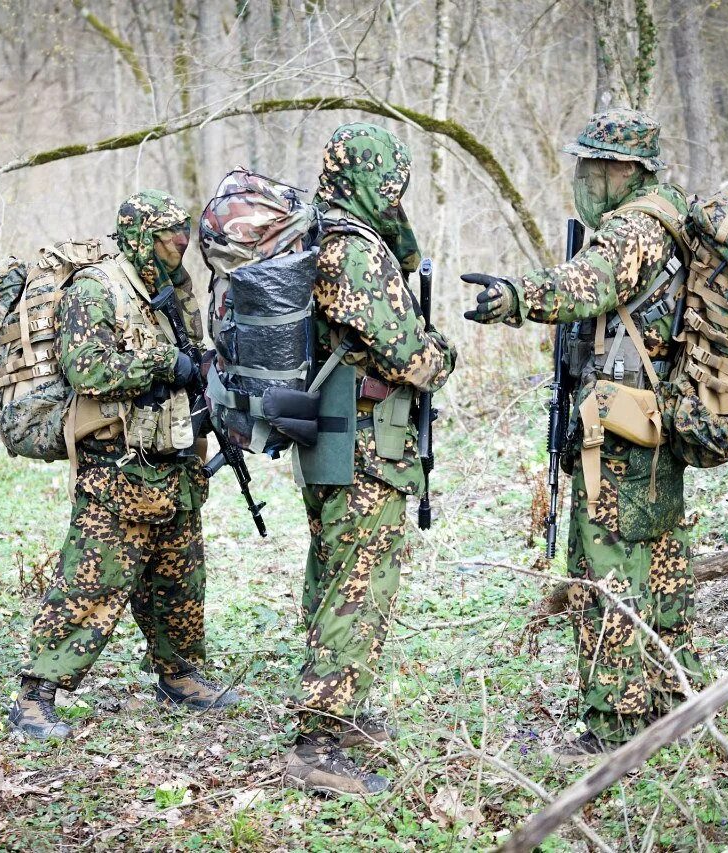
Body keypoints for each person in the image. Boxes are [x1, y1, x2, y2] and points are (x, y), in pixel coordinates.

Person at [463, 109, 705, 762]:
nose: (584, 178)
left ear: (623, 170)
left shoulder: (632, 229)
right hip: (655, 418)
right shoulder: (671, 215)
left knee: (607, 569)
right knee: (657, 556)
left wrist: (515, 297)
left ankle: (615, 725)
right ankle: (668, 698)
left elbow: (583, 285)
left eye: (593, 166)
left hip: (623, 428)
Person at [8, 190, 239, 741]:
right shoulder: (95, 290)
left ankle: (179, 675)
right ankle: (36, 696)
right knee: (91, 585)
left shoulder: (174, 288)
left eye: (183, 237)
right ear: (140, 238)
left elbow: (192, 356)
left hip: (174, 459)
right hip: (116, 467)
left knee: (179, 580)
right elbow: (88, 369)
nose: (180, 247)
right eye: (168, 238)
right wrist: (166, 363)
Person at [284, 123, 457, 794]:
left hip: (334, 438)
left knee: (334, 571)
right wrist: (443, 351)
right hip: (362, 446)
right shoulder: (353, 252)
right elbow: (412, 356)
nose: (396, 194)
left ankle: (337, 705)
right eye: (391, 183)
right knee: (357, 584)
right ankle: (317, 742)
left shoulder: (320, 233)